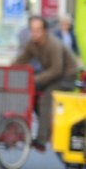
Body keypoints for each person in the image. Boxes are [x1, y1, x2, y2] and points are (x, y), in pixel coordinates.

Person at [19, 14, 82, 151]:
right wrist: (7, 71)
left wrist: (35, 79)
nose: (34, 34)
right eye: (32, 30)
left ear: (45, 31)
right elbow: (21, 60)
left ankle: (42, 139)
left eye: (38, 30)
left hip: (67, 77)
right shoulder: (32, 44)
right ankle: (46, 124)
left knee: (45, 98)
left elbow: (57, 70)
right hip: (52, 75)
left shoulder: (53, 44)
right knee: (32, 94)